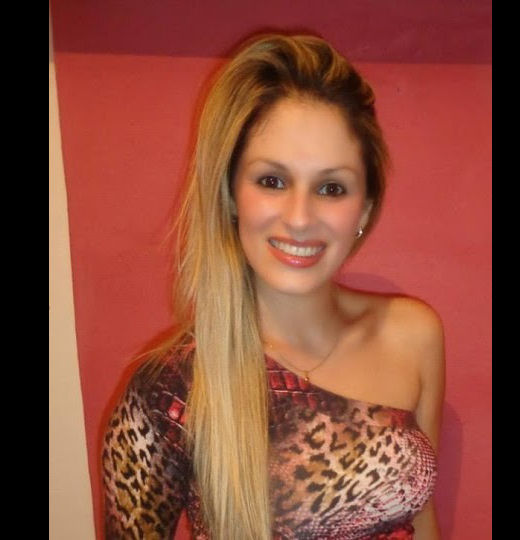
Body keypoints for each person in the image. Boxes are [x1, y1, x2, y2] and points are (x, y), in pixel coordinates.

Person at [102, 32, 445, 540]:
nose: (300, 218)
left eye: (331, 187)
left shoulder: (414, 336)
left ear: (364, 208)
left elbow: (422, 518)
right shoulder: (168, 391)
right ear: (231, 194)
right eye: (272, 181)